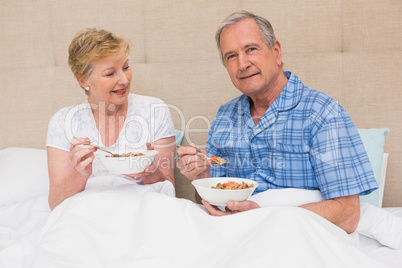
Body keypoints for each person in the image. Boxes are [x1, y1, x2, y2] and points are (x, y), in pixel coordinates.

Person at [177, 11, 378, 234]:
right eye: (231, 56)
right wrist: (203, 178)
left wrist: (265, 217)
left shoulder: (322, 112)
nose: (242, 64)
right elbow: (214, 203)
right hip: (236, 235)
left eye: (251, 49)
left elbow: (348, 214)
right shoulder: (223, 119)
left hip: (301, 237)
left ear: (277, 52)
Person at [46, 28, 176, 210]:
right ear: (83, 80)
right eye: (110, 73)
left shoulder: (155, 110)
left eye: (126, 67)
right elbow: (55, 203)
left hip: (143, 209)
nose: (124, 80)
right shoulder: (63, 121)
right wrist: (81, 173)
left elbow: (169, 188)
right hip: (88, 213)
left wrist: (150, 171)